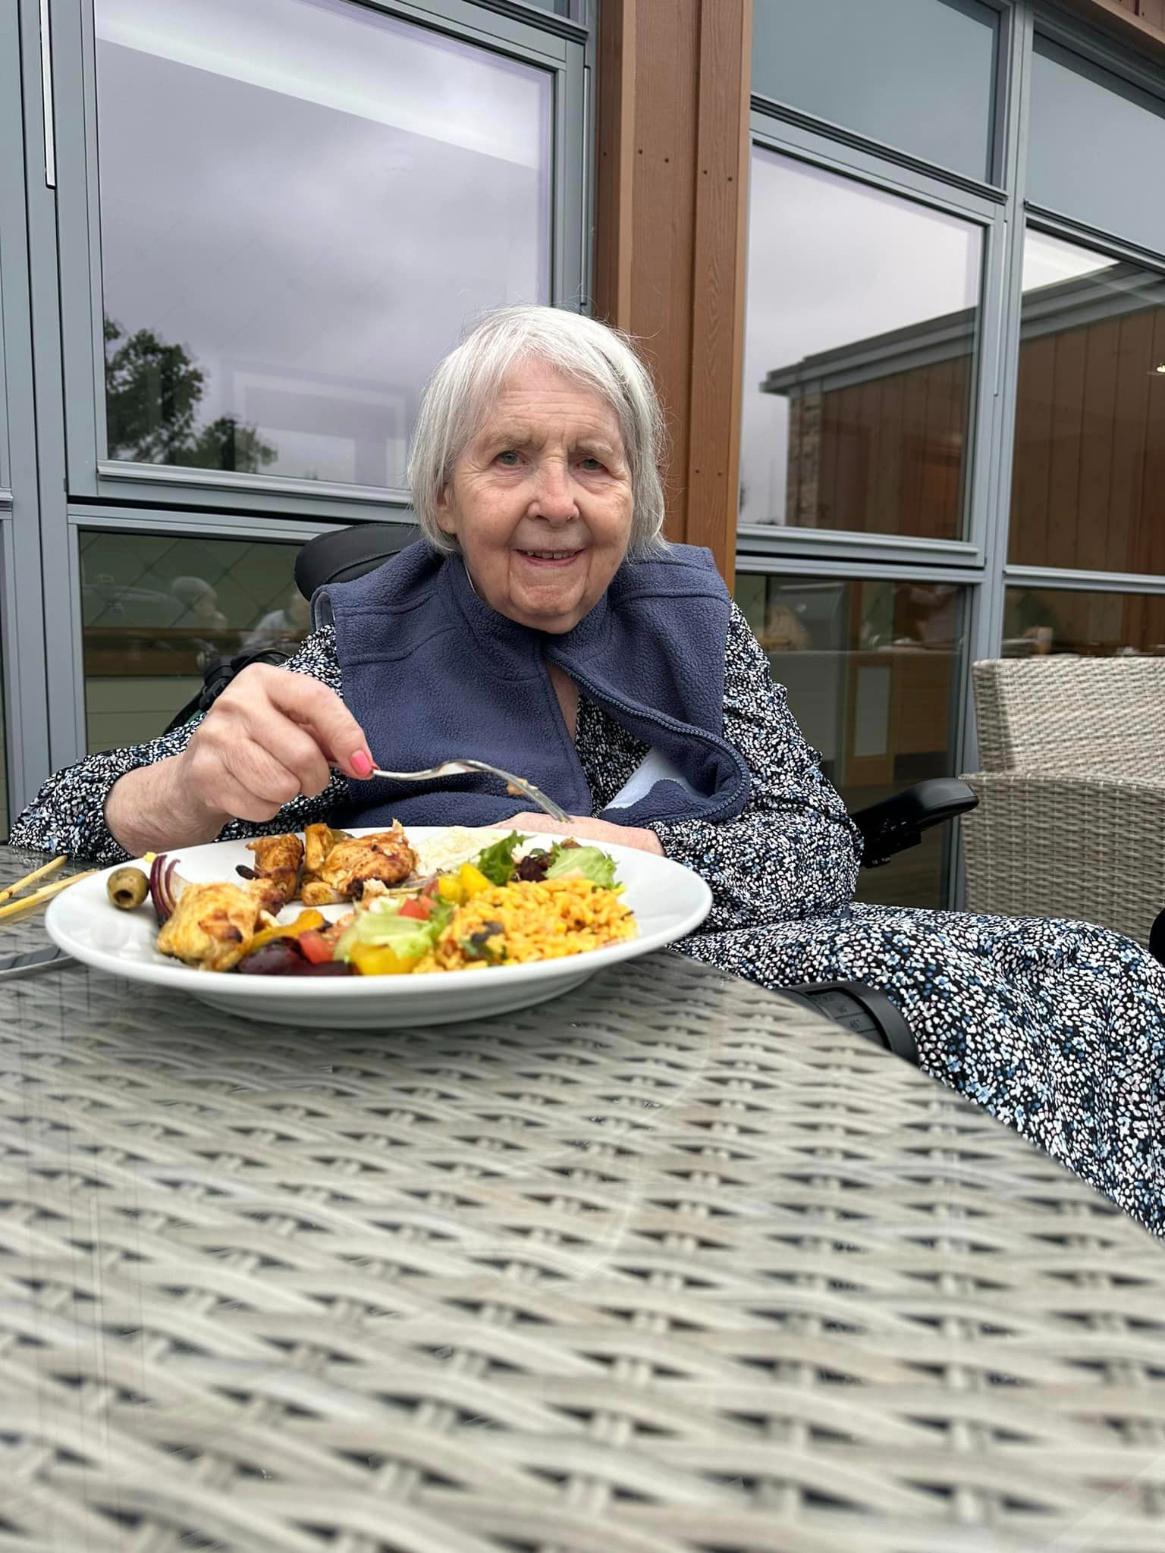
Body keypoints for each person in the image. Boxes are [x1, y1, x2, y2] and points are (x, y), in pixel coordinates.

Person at [13, 305, 1165, 1235]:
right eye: (509, 456)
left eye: (592, 463)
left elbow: (816, 839)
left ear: (634, 497)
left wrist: (644, 851)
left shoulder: (691, 629)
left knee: (1099, 967)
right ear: (446, 500)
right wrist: (187, 789)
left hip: (727, 963)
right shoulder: (362, 650)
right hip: (488, 1045)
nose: (555, 499)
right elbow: (51, 823)